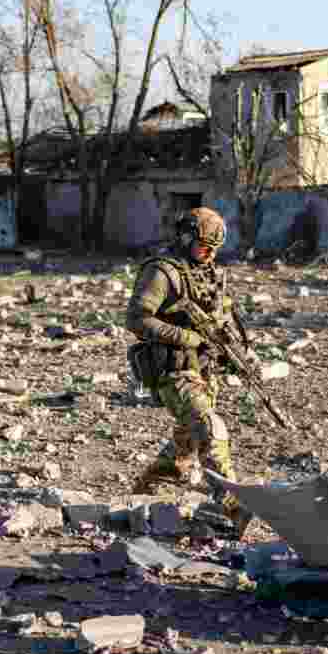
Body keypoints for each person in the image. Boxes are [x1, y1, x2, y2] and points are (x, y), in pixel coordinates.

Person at [125, 207, 253, 537]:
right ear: (184, 238)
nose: (209, 253)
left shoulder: (210, 273)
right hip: (173, 370)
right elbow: (137, 318)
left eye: (214, 248)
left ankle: (143, 493)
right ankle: (233, 506)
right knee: (210, 428)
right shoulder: (162, 271)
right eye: (202, 245)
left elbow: (222, 318)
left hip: (205, 371)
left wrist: (230, 350)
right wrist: (187, 338)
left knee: (186, 445)